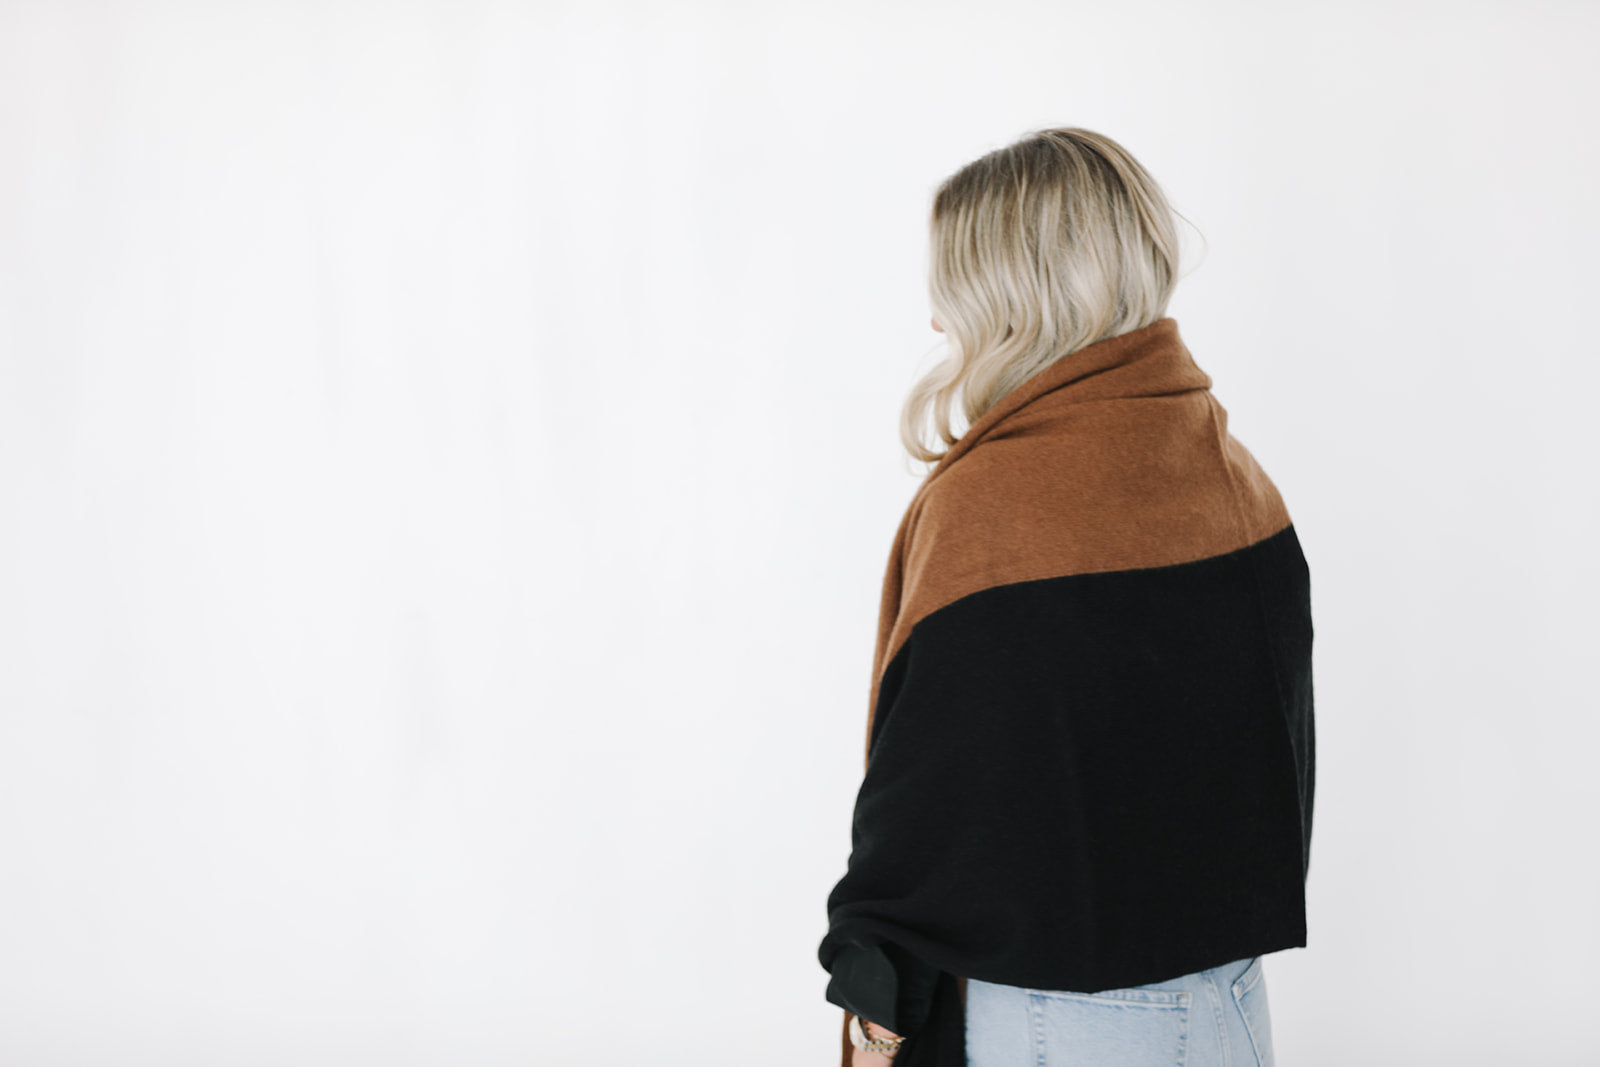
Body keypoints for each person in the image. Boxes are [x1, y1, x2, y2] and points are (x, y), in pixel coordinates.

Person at [817, 127, 1315, 1067]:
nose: (938, 325)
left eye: (955, 292)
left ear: (1013, 299)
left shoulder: (995, 506)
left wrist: (874, 1011)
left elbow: (931, 812)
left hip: (1062, 1022)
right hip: (1228, 1005)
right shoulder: (1230, 473)